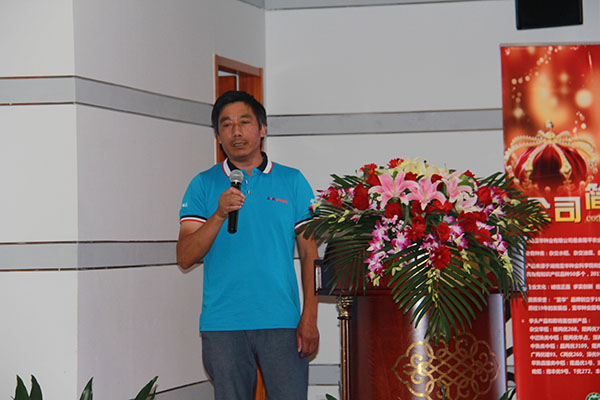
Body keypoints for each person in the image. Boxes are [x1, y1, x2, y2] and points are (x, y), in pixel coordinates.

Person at [176, 90, 319, 400]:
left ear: (262, 128)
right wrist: (218, 214)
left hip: (281, 321)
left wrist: (309, 316)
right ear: (218, 136)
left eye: (244, 122)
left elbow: (310, 252)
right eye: (226, 125)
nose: (236, 132)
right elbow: (185, 256)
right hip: (223, 323)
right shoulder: (203, 184)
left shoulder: (292, 181)